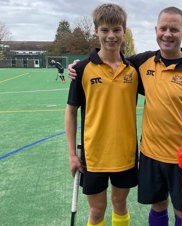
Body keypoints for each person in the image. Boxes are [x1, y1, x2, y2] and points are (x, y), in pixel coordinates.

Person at [68, 6, 182, 226]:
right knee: (158, 207)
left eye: (174, 29)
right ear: (156, 30)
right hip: (149, 155)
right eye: (163, 28)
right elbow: (111, 62)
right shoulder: (142, 63)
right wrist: (78, 66)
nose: (168, 34)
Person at [65, 3, 141, 226]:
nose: (111, 36)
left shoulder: (133, 69)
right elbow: (71, 112)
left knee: (120, 205)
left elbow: (164, 59)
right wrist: (72, 154)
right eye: (105, 30)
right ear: (96, 31)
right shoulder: (81, 69)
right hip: (94, 155)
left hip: (125, 153)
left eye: (116, 30)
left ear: (124, 31)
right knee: (97, 212)